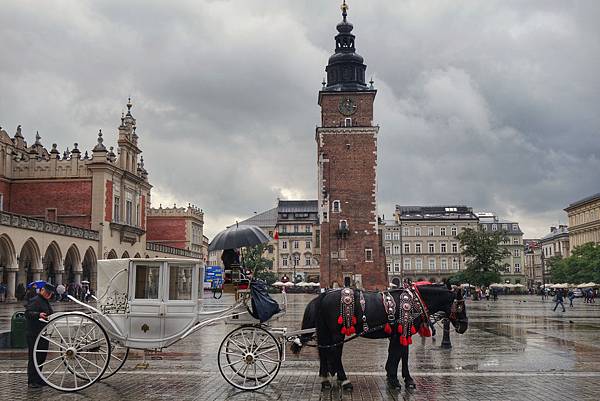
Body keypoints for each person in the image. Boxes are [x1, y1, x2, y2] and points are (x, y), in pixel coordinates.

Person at [25, 283, 55, 388]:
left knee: (41, 357)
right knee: (34, 358)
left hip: (43, 333)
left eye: (50, 294)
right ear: (42, 290)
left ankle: (38, 378)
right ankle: (32, 381)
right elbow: (28, 313)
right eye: (47, 293)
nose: (48, 295)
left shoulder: (45, 301)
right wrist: (38, 314)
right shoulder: (35, 300)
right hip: (34, 333)